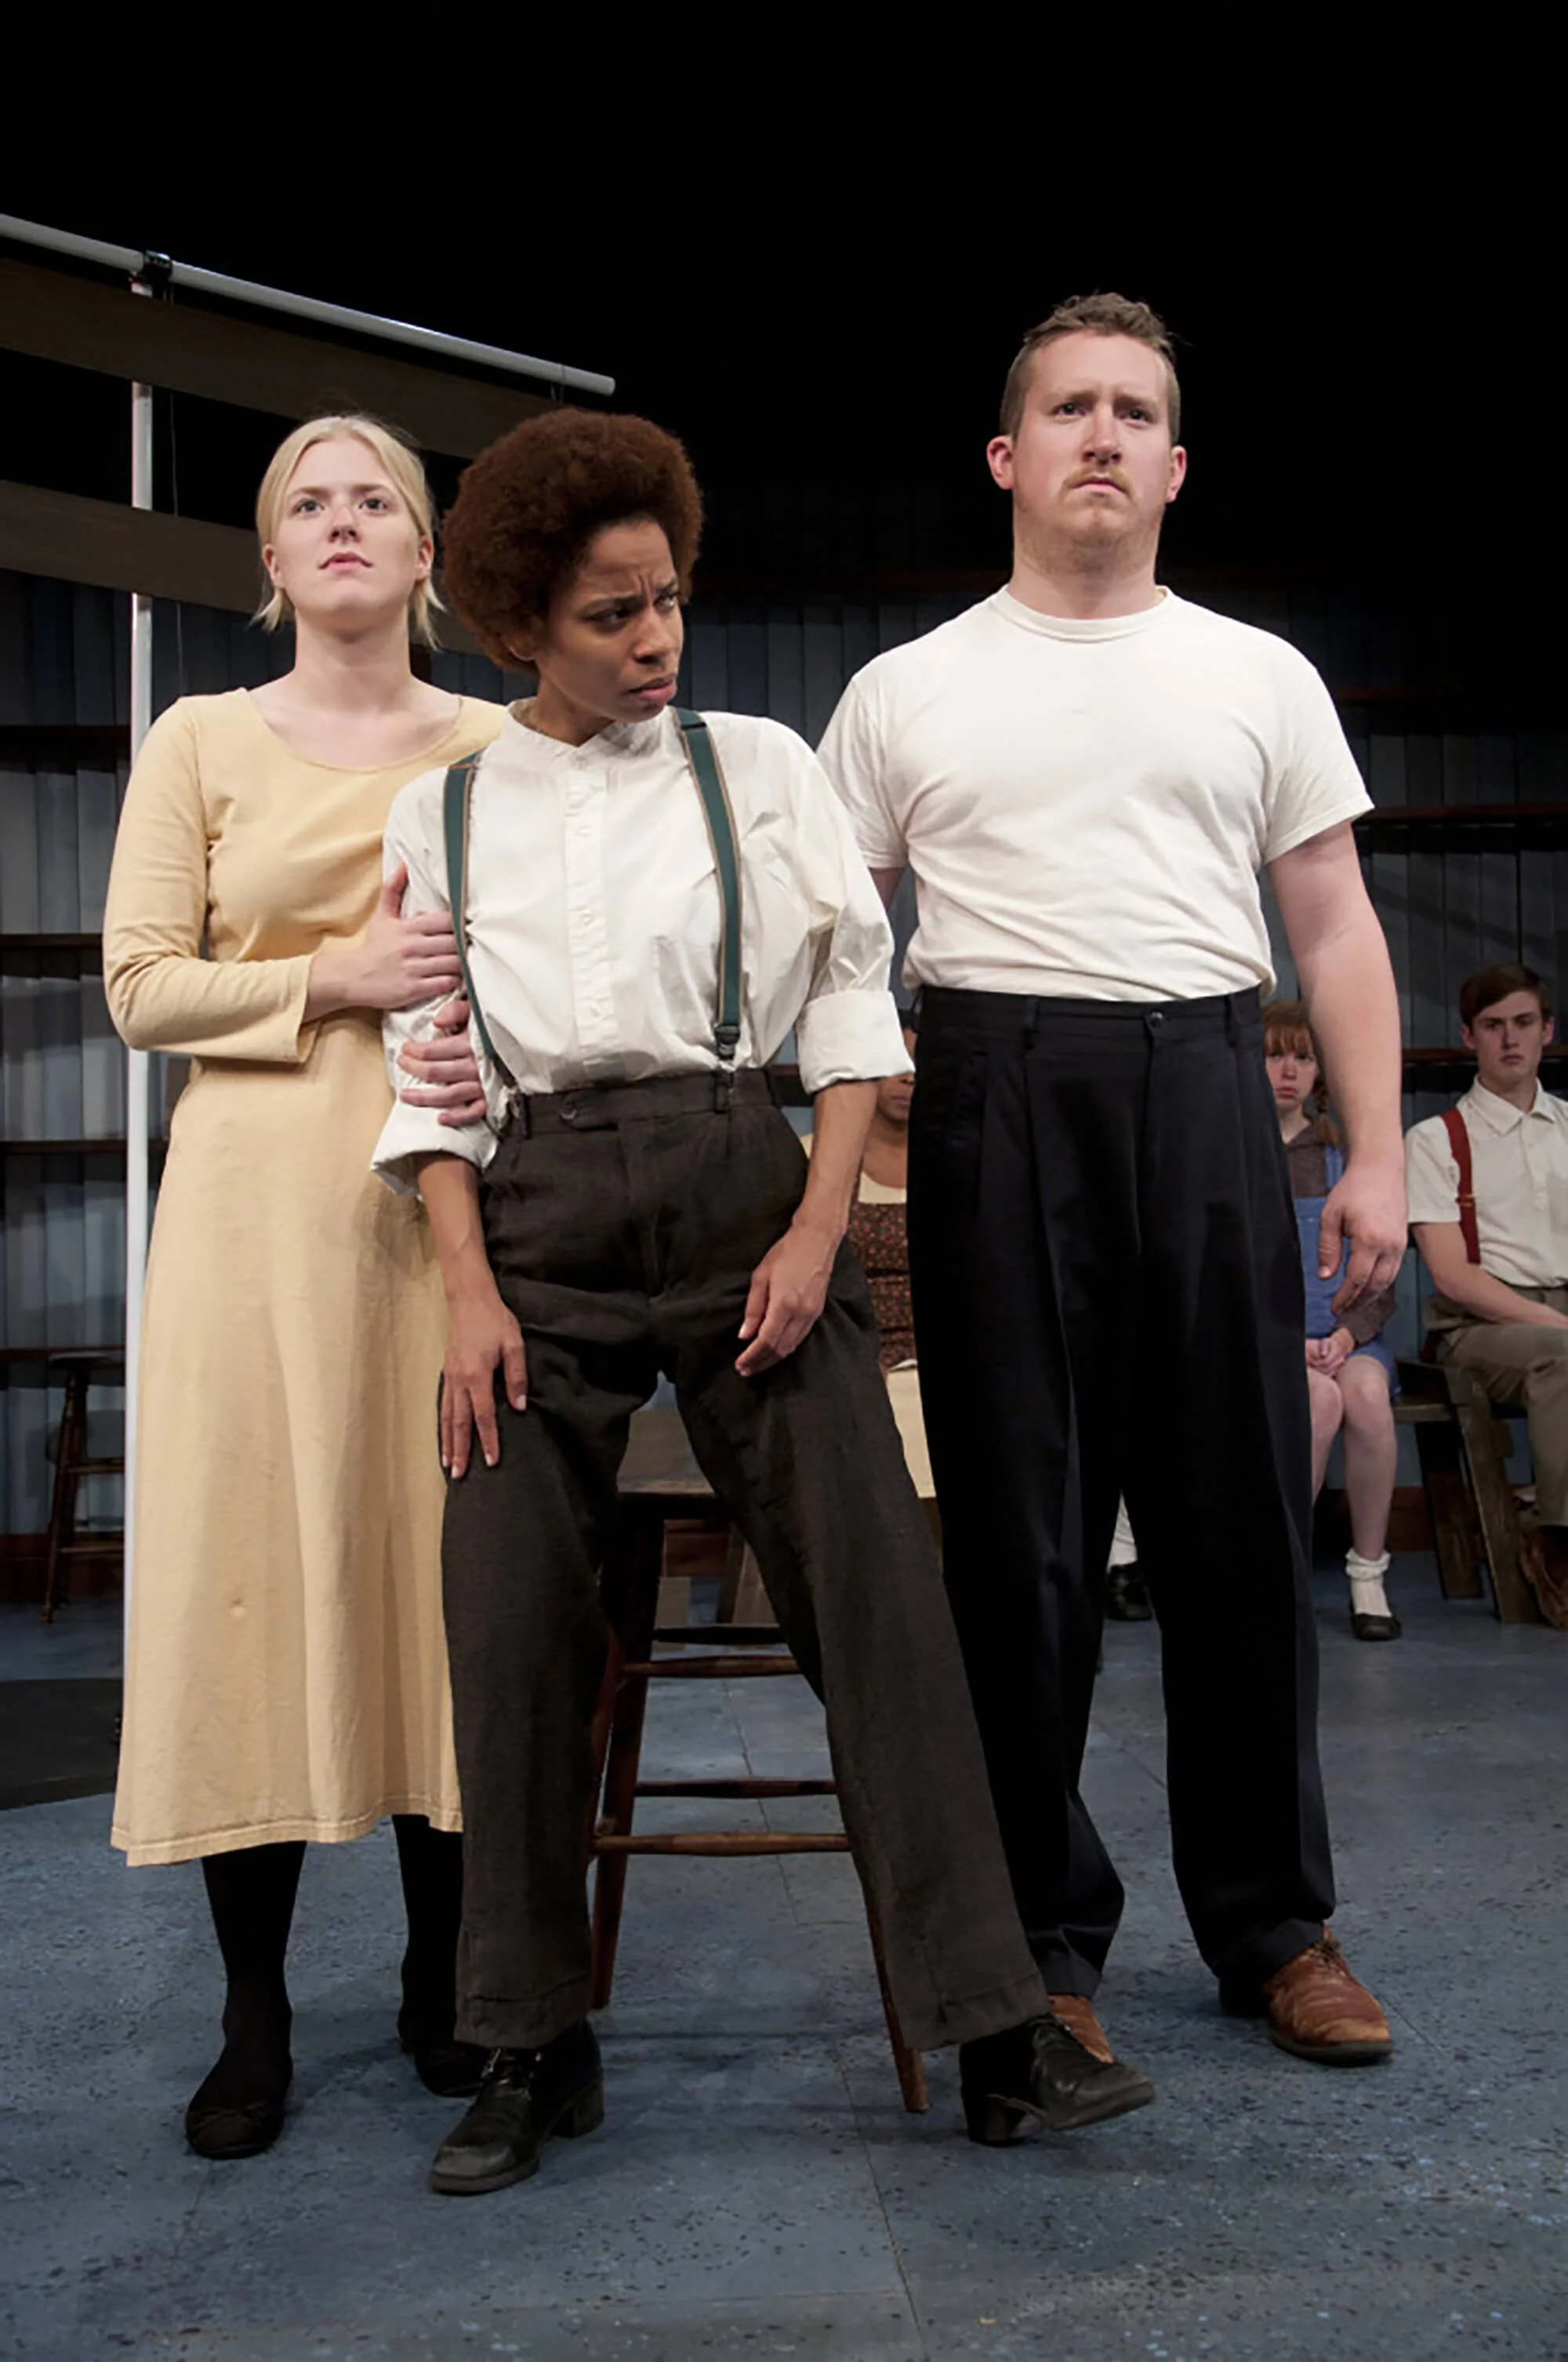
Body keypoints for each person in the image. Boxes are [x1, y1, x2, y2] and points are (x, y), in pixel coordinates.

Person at [370, 407, 1156, 2199]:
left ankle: (995, 2030)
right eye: (608, 615)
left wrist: (813, 1235)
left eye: (665, 600)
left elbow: (854, 1024)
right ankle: (525, 2037)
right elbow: (428, 1082)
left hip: (746, 1189)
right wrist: (469, 1295)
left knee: (880, 1591)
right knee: (503, 1619)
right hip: (536, 1214)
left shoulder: (759, 767)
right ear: (520, 624)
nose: (653, 640)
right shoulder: (448, 807)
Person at [819, 293, 1405, 2068]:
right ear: (1005, 455)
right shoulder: (904, 686)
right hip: (989, 1094)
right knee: (1017, 1544)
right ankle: (1033, 1937)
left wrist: (1372, 1155)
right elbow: (839, 952)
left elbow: (1329, 923)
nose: (1095, 432)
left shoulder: (1254, 673)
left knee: (1237, 1523)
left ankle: (1271, 1926)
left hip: (1207, 1084)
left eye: (1127, 409)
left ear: (1169, 462)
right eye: (1063, 406)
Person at [103, 415, 509, 2159]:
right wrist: (331, 978)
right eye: (307, 506)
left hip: (447, 1222)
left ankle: (441, 1987)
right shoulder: (197, 738)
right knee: (253, 1591)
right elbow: (136, 984)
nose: (343, 525)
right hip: (252, 1223)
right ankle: (253, 2014)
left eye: (377, 503)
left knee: (445, 1586)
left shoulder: (501, 745)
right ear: (268, 565)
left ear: (426, 555)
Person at [1406, 962, 1568, 1627]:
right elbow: (1452, 1275)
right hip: (1477, 1324)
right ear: (1469, 1037)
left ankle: (1539, 1506)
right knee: (1560, 1359)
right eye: (1493, 1026)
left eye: (1523, 1023)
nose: (1510, 1040)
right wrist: (1554, 1324)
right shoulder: (1436, 1140)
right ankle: (1558, 1546)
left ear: (1547, 1031)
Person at [1265, 999, 1402, 1640]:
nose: (1287, 1071)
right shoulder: (1236, 1157)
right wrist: (1289, 1345)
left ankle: (1367, 1575)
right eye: (1273, 1056)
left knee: (1368, 1401)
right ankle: (1280, 1574)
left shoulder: (1343, 1159)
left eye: (1302, 1057)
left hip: (1348, 1337)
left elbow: (1378, 1273)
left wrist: (1347, 1336)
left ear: (1321, 1072)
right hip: (1271, 1345)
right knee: (1317, 1404)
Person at [804, 1017, 933, 1501]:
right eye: (895, 1064)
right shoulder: (814, 1169)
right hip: (852, 1371)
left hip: (943, 1371)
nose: (909, 1076)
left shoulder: (962, 1171)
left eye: (921, 1064)